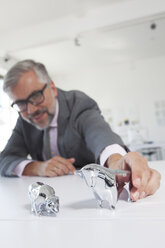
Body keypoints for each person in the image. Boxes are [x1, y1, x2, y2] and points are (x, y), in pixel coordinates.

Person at [0, 60, 161, 202]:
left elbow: (99, 134)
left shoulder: (78, 103)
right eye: (21, 104)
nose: (31, 109)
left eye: (35, 96)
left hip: (89, 197)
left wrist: (116, 161)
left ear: (53, 88)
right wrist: (37, 167)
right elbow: (5, 159)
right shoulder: (24, 120)